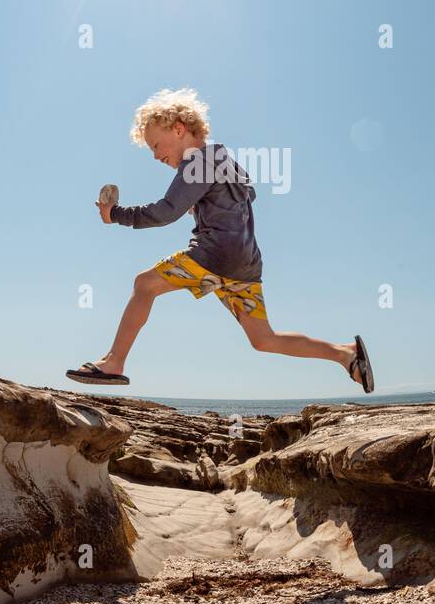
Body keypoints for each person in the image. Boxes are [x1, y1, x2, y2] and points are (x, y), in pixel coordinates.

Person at [66, 86, 374, 392]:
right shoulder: (221, 159)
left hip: (214, 255)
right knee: (264, 339)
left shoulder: (197, 162)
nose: (156, 156)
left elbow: (165, 211)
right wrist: (203, 207)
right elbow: (246, 194)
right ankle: (345, 354)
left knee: (143, 284)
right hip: (245, 264)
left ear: (178, 129)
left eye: (156, 146)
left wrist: (115, 213)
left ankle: (113, 362)